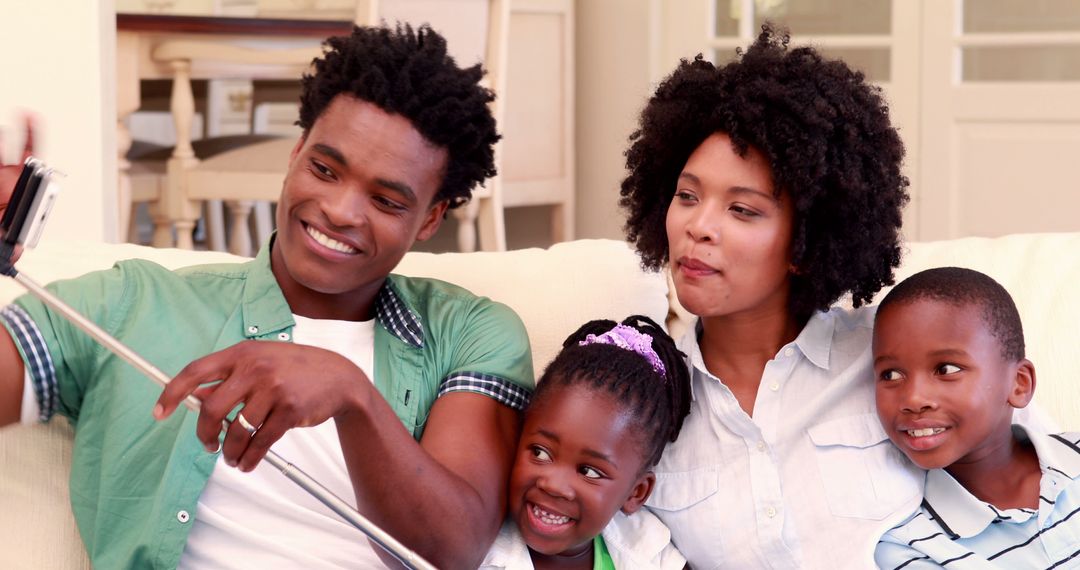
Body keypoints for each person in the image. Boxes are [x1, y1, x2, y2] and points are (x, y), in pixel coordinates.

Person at [0, 24, 533, 569]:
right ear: (296, 152)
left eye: (387, 200)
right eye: (324, 170)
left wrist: (353, 395)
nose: (341, 211)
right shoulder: (129, 304)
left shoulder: (470, 332)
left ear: (431, 219)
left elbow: (452, 549)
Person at [617, 24, 922, 568]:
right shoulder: (641, 406)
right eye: (687, 196)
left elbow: (1031, 478)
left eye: (742, 209)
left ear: (804, 244)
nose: (699, 227)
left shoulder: (893, 358)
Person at [873, 267, 1079, 569]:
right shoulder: (908, 545)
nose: (913, 399)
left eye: (946, 369)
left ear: (1019, 384)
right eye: (890, 374)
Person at [480, 315, 690, 570]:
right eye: (541, 453)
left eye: (589, 471)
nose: (554, 485)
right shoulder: (476, 547)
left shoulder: (649, 552)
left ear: (636, 492)